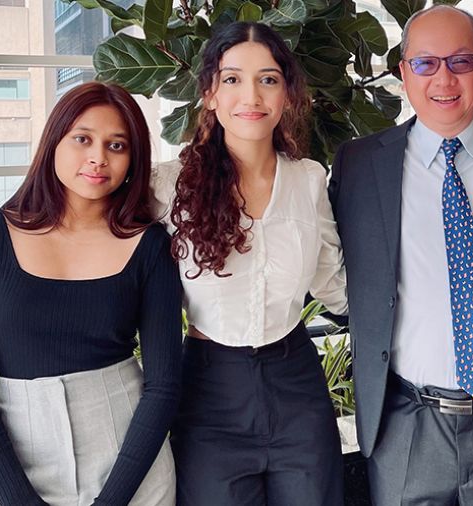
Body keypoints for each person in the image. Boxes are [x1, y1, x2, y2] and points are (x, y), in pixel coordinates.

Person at [329, 5, 473, 505]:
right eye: (425, 63)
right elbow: (332, 279)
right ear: (403, 74)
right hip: (406, 425)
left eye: (460, 61)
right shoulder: (359, 164)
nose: (444, 79)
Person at [0, 82, 182, 505]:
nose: (98, 157)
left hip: (127, 465)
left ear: (132, 161)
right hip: (13, 465)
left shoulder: (149, 246)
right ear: (54, 141)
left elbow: (164, 384)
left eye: (117, 145)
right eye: (82, 139)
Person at [150, 22, 347, 505]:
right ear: (210, 94)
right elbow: (89, 224)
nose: (252, 95)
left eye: (269, 79)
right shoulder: (166, 185)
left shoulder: (309, 180)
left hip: (296, 384)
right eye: (233, 78)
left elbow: (333, 284)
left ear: (286, 96)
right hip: (207, 393)